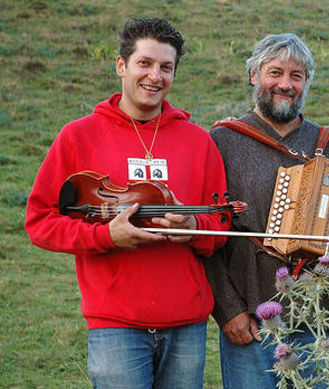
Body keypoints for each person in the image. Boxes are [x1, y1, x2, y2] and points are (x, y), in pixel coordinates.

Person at [24, 18, 230, 388]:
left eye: (166, 67)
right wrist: (106, 238)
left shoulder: (200, 142)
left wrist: (194, 229)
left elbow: (220, 230)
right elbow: (40, 222)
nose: (155, 76)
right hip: (115, 324)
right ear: (121, 66)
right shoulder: (77, 136)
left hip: (186, 325)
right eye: (145, 63)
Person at [204, 33, 329, 388]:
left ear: (306, 82)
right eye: (275, 72)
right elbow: (207, 237)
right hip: (250, 323)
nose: (285, 84)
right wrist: (228, 310)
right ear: (253, 75)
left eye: (296, 75)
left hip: (318, 327)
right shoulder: (222, 141)